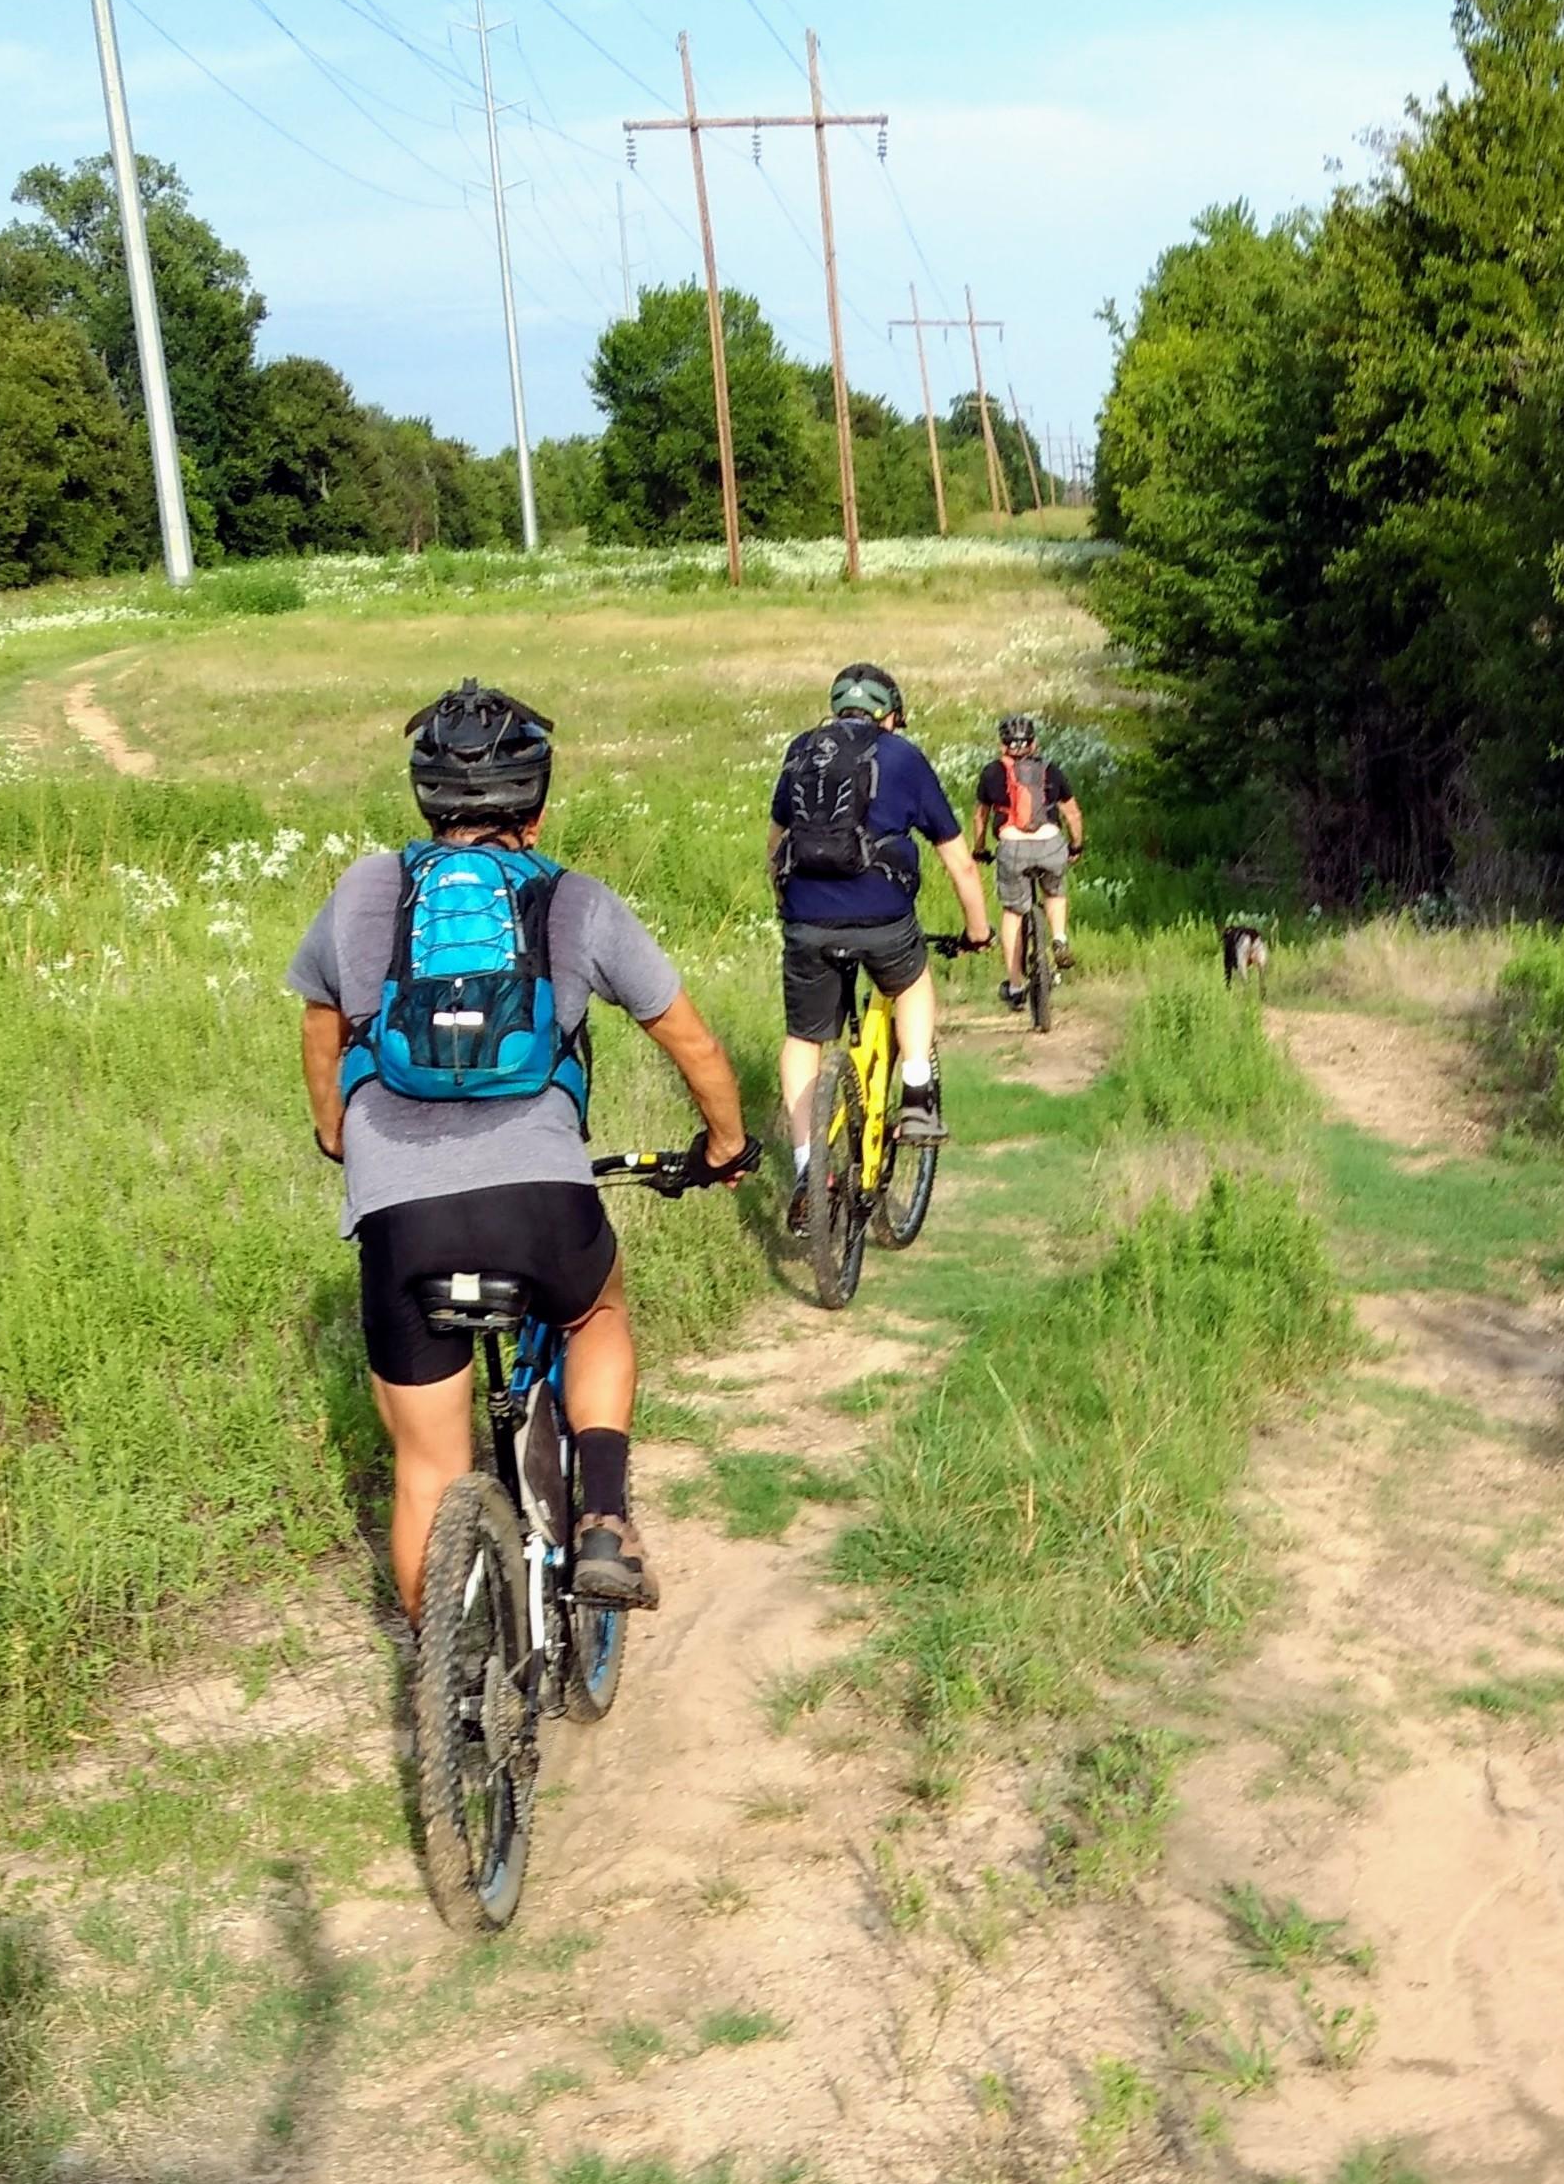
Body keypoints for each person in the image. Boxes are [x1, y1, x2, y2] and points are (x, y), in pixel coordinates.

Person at [289, 679, 751, 1624]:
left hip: (399, 1211)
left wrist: (337, 1134)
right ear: (535, 808)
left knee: (427, 1468)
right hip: (540, 1197)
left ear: (425, 800)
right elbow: (694, 1042)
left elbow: (319, 1024)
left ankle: (449, 1678)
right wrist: (726, 1144)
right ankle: (606, 1522)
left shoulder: (363, 890)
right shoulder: (576, 900)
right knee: (598, 1311)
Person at [767, 661, 990, 1203]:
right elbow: (960, 863)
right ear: (890, 715)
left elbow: (775, 845)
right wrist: (978, 931)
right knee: (910, 982)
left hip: (806, 919)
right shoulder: (904, 757)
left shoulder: (802, 751)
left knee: (804, 1038)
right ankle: (916, 1094)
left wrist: (785, 905)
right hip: (883, 918)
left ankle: (808, 1171)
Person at [970, 712, 1083, 1002]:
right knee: (1055, 893)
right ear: (1034, 743)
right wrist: (1076, 846)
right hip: (1050, 843)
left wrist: (980, 848)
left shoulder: (992, 773)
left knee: (1013, 912)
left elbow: (980, 817)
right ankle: (1059, 938)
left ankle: (1016, 985)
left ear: (1003, 745)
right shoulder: (1050, 770)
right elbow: (1072, 814)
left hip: (1013, 847)